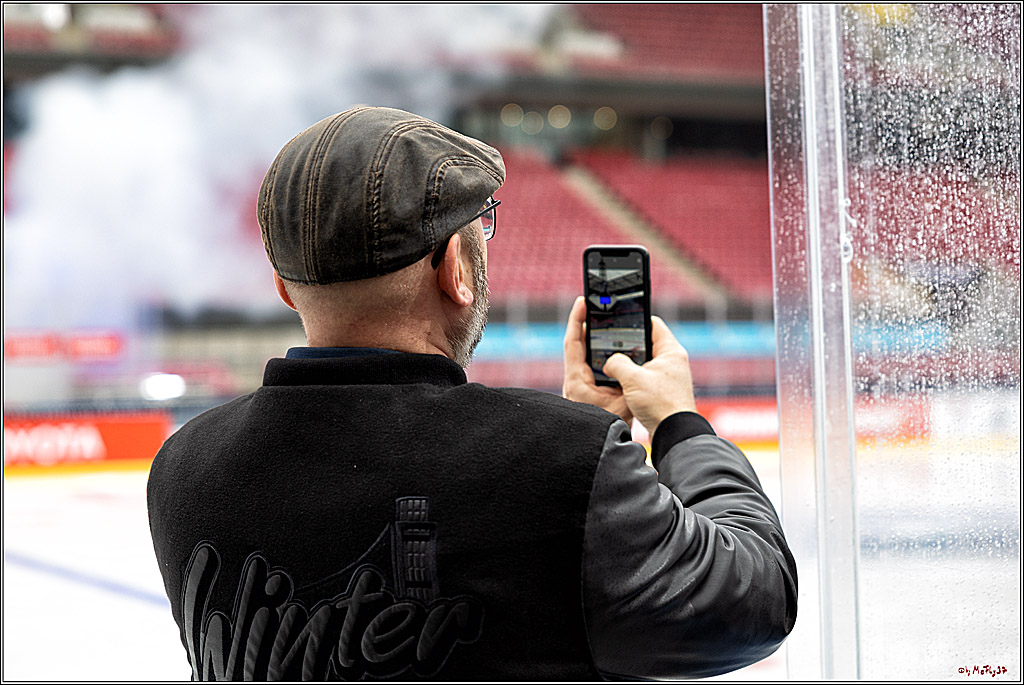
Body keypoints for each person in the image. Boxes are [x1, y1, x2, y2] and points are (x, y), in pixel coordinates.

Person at [147, 106, 797, 681]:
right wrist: (680, 425)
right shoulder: (556, 462)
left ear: (285, 288)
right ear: (455, 269)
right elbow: (755, 601)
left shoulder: (183, 468)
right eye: (481, 229)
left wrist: (580, 445)